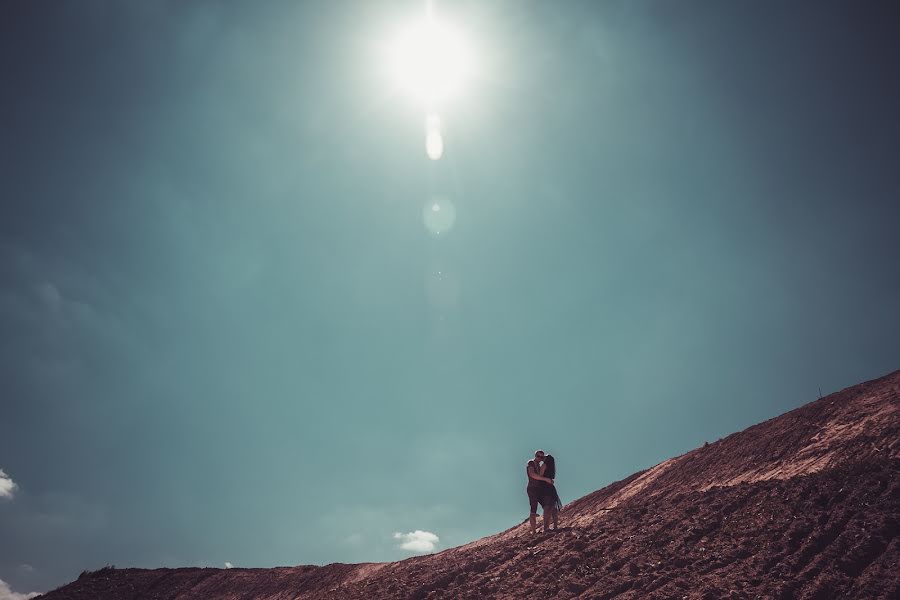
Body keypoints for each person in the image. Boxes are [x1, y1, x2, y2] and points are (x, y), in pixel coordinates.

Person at [525, 449, 554, 534]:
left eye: (542, 457)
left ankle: (546, 528)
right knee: (533, 509)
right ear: (535, 456)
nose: (540, 458)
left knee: (547, 506)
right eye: (538, 456)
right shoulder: (531, 463)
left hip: (540, 489)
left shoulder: (541, 466)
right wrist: (545, 479)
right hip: (532, 488)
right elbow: (532, 474)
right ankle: (533, 531)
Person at [540, 454, 562, 532]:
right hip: (551, 488)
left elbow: (540, 475)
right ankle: (555, 526)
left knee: (547, 507)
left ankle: (546, 528)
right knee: (553, 508)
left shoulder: (544, 465)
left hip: (545, 488)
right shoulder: (552, 467)